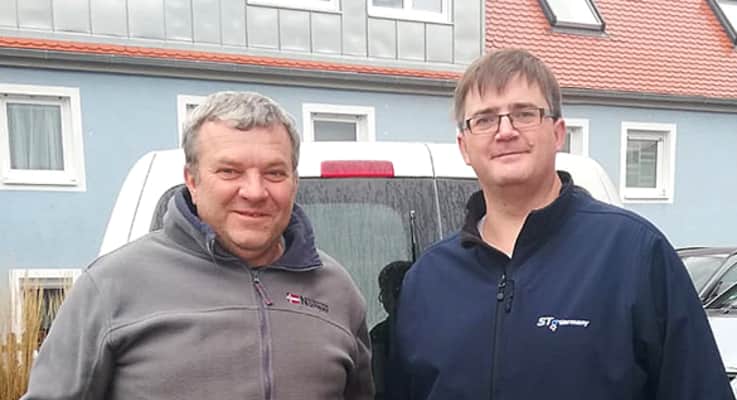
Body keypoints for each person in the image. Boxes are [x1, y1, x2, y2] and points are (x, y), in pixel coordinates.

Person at [386, 49, 735, 400]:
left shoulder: (634, 255)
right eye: (485, 119)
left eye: (524, 114)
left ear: (558, 133)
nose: (505, 131)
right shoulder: (427, 281)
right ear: (464, 146)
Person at [22, 91, 374, 400]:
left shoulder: (336, 291)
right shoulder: (111, 286)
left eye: (274, 173)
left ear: (294, 182)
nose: (254, 191)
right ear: (192, 180)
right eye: (229, 171)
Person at [370, 260, 412, 400]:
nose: (383, 300)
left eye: (384, 293)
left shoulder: (379, 335)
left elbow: (379, 390)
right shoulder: (432, 327)